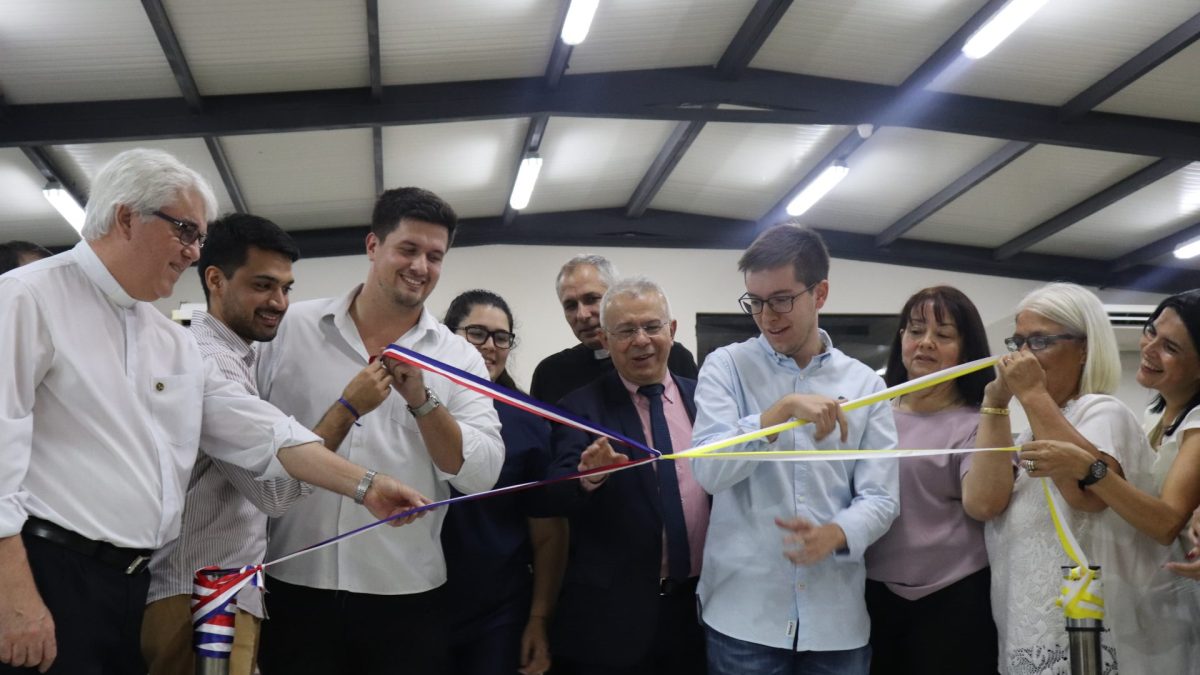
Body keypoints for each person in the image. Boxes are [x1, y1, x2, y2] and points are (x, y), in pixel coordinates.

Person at [0, 149, 427, 674]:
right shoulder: (27, 298)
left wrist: (367, 485)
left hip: (131, 583)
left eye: (199, 237)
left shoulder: (165, 338)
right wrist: (13, 594)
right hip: (48, 570)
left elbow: (260, 432)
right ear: (126, 216)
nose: (193, 253)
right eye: (185, 231)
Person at [255, 187, 505, 674]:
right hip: (294, 583)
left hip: (406, 594)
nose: (421, 267)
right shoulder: (291, 329)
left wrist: (423, 401)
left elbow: (480, 475)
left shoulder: (459, 357)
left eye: (435, 256)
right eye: (408, 249)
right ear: (373, 246)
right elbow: (253, 446)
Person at [141, 214, 398, 675]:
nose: (279, 302)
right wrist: (348, 410)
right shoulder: (209, 360)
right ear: (215, 280)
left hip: (221, 588)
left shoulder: (240, 356)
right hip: (203, 592)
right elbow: (274, 493)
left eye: (286, 287)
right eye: (263, 285)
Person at [691, 223, 898, 675]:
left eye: (782, 299)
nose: (768, 316)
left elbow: (882, 497)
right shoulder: (726, 367)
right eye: (756, 302)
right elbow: (708, 471)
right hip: (743, 616)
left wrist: (837, 533)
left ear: (820, 294)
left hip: (835, 622)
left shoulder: (865, 385)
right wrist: (777, 413)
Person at [965, 282, 1151, 674]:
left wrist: (1031, 394)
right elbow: (983, 503)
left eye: (1040, 341)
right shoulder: (1037, 427)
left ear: (1084, 347)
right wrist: (995, 403)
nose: (1024, 355)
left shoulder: (1103, 411)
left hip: (1079, 635)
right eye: (1018, 342)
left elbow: (1086, 496)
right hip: (1023, 627)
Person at [1019, 289, 1200, 670]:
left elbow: (1165, 522)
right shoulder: (1155, 418)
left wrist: (1090, 469)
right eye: (1151, 332)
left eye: (1171, 347)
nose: (1149, 349)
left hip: (1175, 600)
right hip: (1147, 593)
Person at [544, 276, 709, 674]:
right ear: (604, 339)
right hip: (614, 622)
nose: (641, 340)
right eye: (625, 331)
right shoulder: (579, 407)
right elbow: (554, 494)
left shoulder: (706, 399)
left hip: (702, 610)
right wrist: (588, 477)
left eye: (652, 327)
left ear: (671, 331)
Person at [864, 286, 998, 675]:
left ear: (966, 347)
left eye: (943, 335)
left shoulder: (981, 423)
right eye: (915, 330)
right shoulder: (870, 415)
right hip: (873, 597)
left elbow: (986, 505)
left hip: (956, 600)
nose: (925, 344)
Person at [441, 289, 568, 675]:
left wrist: (538, 619)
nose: (489, 347)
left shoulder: (528, 423)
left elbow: (547, 533)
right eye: (476, 333)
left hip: (497, 611)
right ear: (447, 336)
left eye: (501, 337)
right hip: (417, 602)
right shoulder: (410, 408)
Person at [530, 254, 698, 405]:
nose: (582, 315)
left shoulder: (674, 357)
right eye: (570, 305)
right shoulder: (550, 373)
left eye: (592, 299)